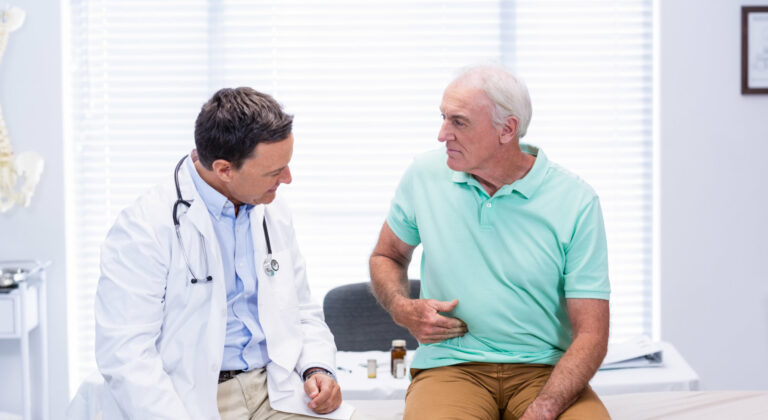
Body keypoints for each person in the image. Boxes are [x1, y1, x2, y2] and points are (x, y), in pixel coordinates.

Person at [89, 87, 354, 419]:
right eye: (274, 172)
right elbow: (126, 354)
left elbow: (300, 309)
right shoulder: (144, 228)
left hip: (274, 388)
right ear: (224, 169)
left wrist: (318, 368)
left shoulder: (271, 210)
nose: (287, 179)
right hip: (192, 399)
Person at [369, 65, 611, 420]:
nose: (442, 134)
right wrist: (402, 308)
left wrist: (545, 408)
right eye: (443, 118)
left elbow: (591, 334)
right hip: (451, 367)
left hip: (544, 371)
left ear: (507, 129)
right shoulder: (424, 176)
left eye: (459, 122)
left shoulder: (576, 201)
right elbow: (386, 255)